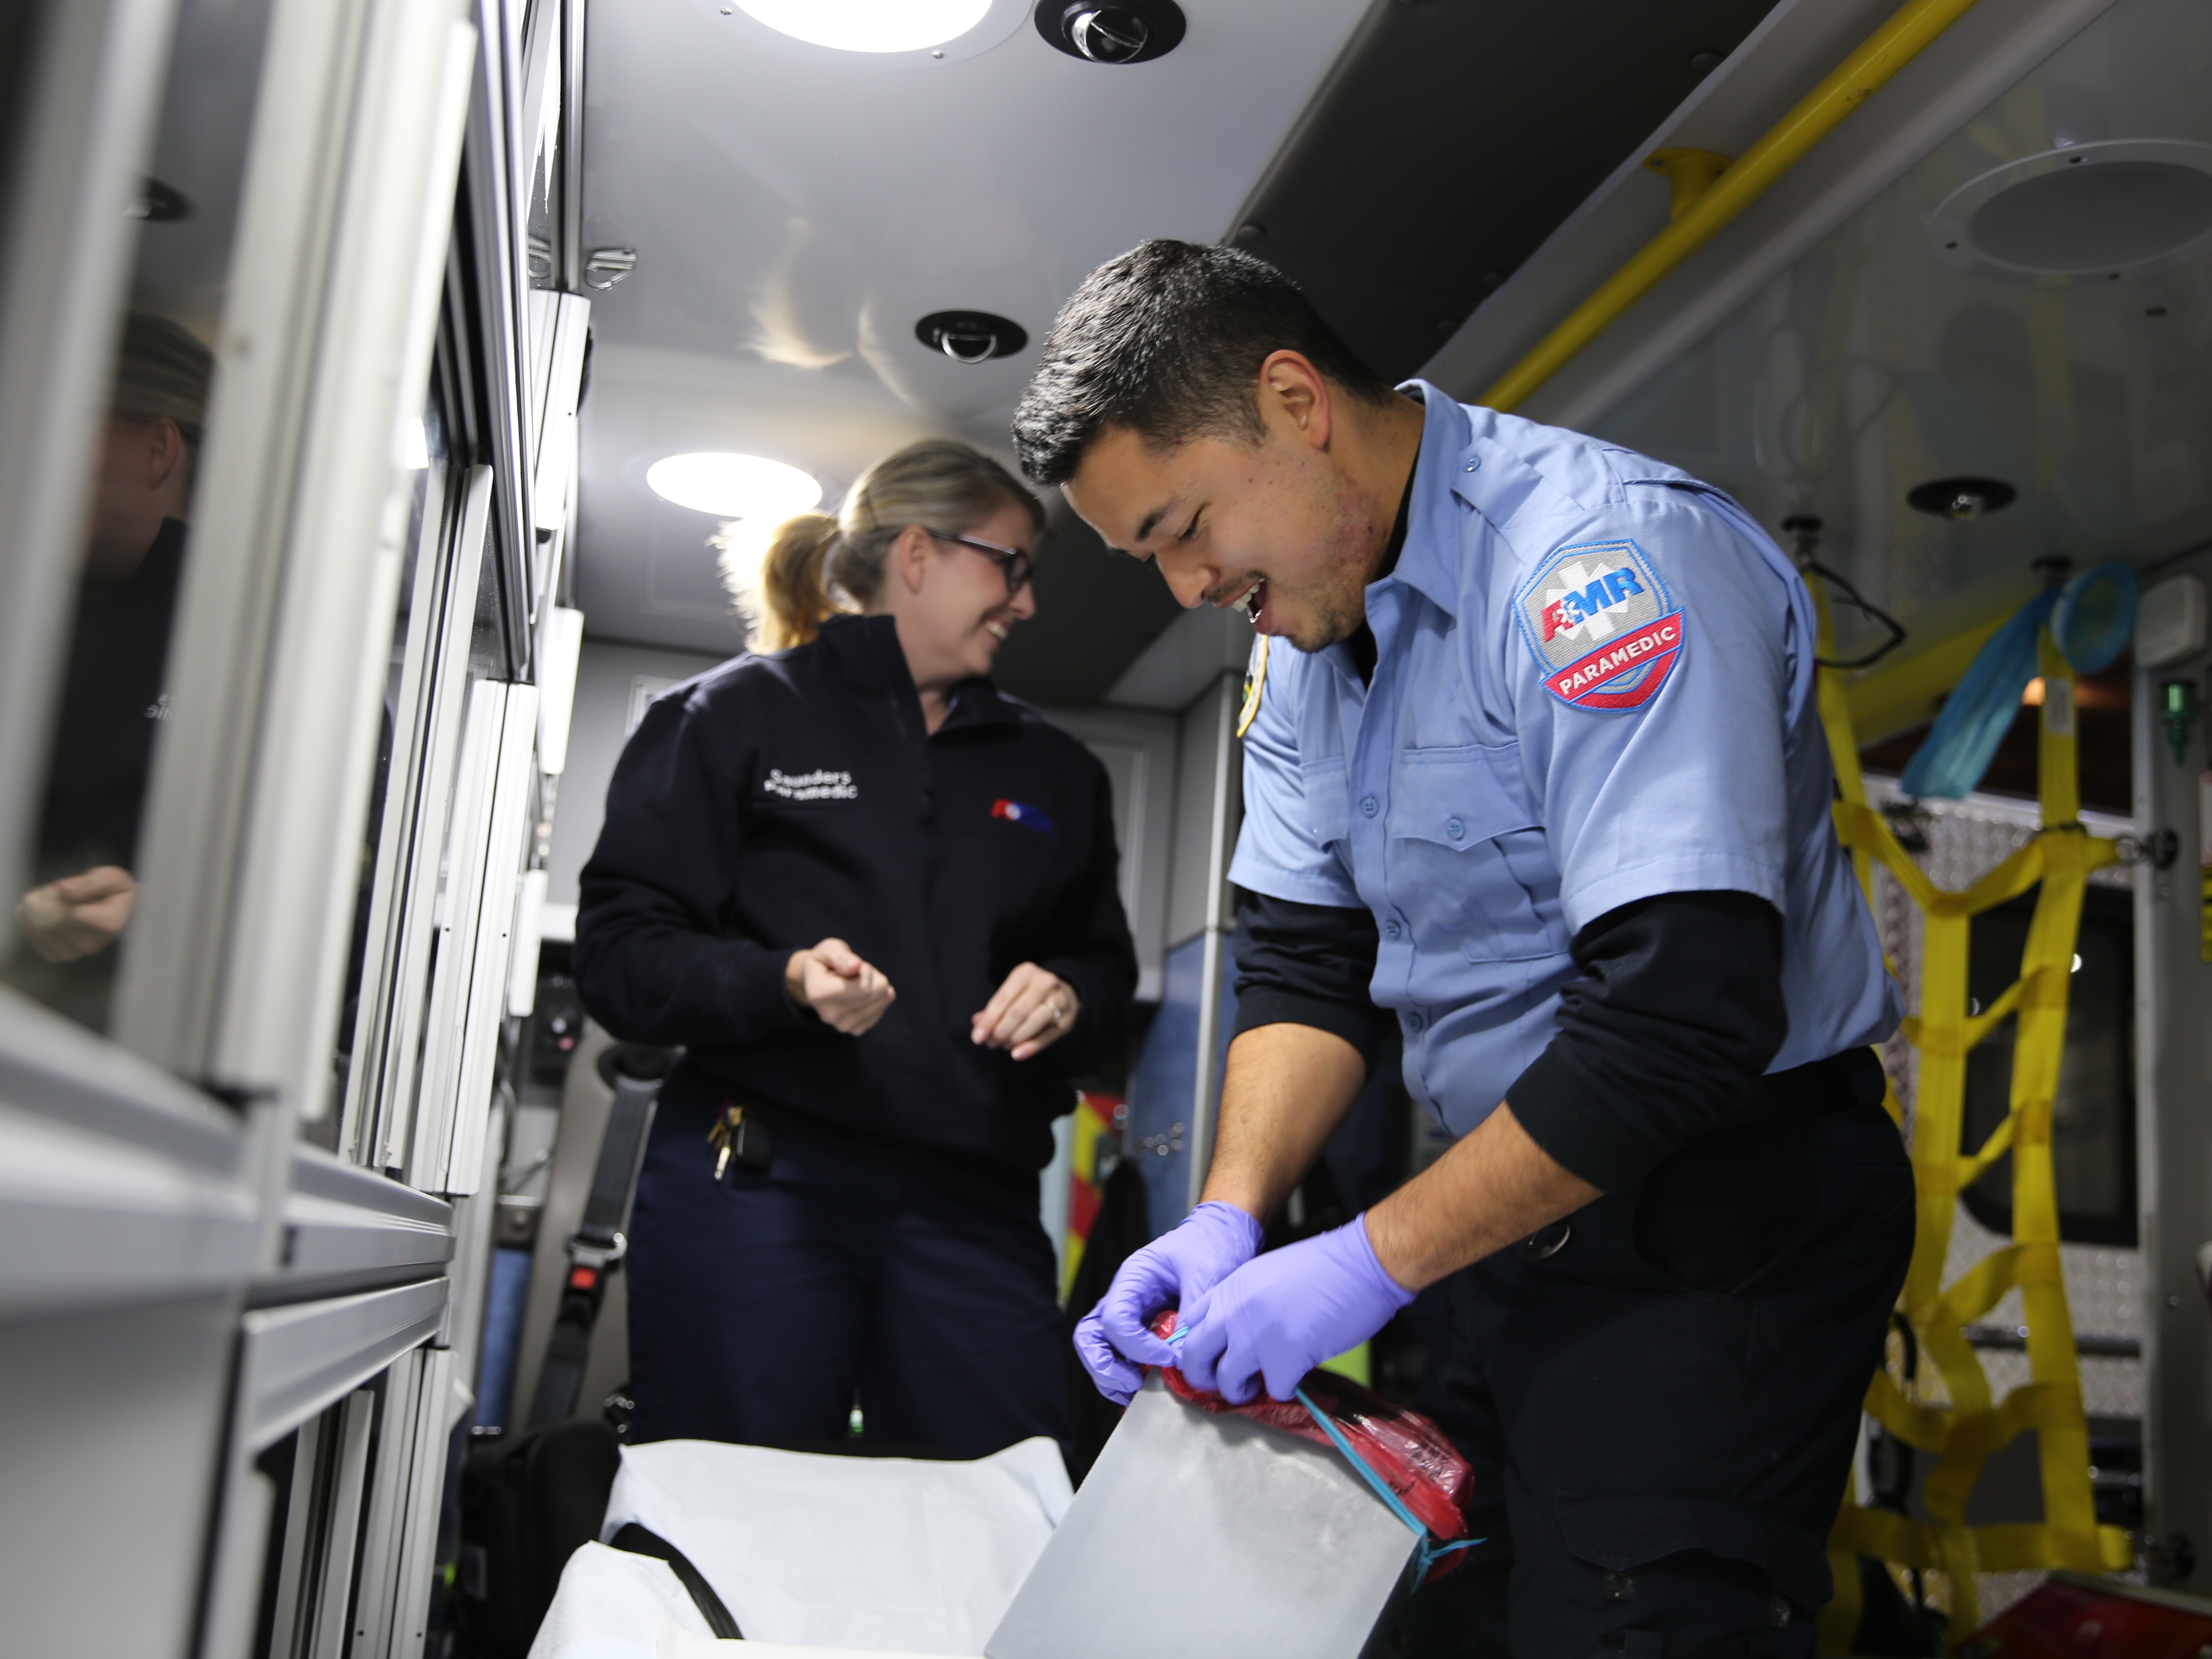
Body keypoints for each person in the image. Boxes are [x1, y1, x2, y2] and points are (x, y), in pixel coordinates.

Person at [1012, 242, 1912, 1657]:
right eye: (1150, 558)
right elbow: (1306, 962)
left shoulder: (1595, 567)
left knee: (1628, 1620)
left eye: (1182, 526)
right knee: (1441, 1610)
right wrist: (1231, 1214)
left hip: (1720, 1205)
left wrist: (1363, 1263)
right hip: (1499, 1210)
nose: (1185, 584)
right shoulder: (1314, 638)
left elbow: (1677, 1020)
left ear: (1296, 402)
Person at [574, 437, 1137, 1461]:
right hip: (755, 1189)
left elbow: (1105, 973)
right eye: (1009, 565)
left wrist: (1066, 995)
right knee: (728, 1504)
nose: (1026, 603)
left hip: (975, 1212)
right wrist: (779, 980)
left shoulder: (1055, 774)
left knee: (991, 1519)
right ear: (916, 555)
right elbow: (619, 955)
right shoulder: (727, 718)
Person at [9, 313, 213, 1029]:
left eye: (60, 429)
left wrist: (152, 911)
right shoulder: (48, 620)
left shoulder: (245, 645)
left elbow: (347, 905)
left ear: (157, 448)